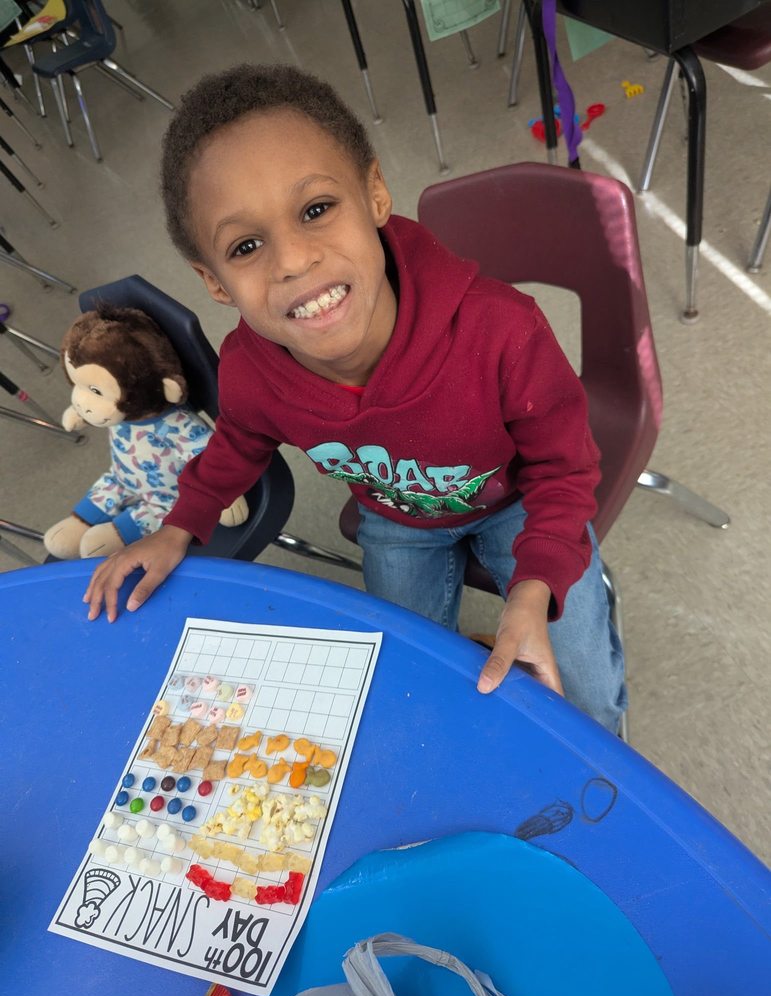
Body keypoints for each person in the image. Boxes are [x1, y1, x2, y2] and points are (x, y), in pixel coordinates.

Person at [84, 64, 625, 732]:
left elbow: (563, 470)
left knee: (584, 691)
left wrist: (535, 584)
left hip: (518, 503)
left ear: (373, 194)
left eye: (316, 209)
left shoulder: (500, 330)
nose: (292, 261)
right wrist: (178, 527)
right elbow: (238, 443)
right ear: (215, 282)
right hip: (398, 521)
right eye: (245, 246)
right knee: (407, 677)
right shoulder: (252, 369)